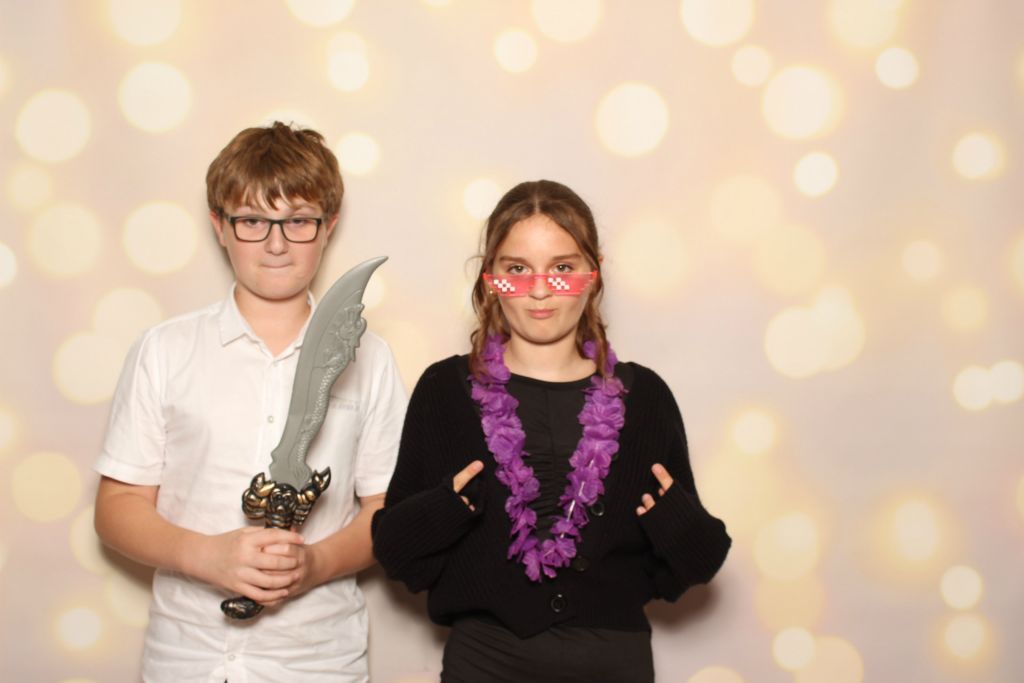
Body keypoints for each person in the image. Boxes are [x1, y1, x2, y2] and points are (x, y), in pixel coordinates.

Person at [371, 179, 731, 682]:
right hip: (485, 665)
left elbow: (695, 566)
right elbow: (395, 553)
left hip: (614, 666)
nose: (540, 290)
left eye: (562, 269)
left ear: (592, 275)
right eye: (517, 270)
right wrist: (449, 509)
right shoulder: (444, 390)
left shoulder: (645, 398)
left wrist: (674, 522)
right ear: (490, 278)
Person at [93, 122, 406, 682]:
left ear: (329, 225)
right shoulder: (164, 350)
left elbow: (386, 510)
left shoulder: (371, 360)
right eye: (253, 221)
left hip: (318, 661)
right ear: (220, 225)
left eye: (298, 221)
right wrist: (204, 555)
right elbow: (117, 507)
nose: (276, 243)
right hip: (187, 658)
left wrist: (314, 564)